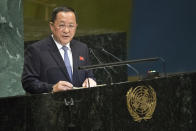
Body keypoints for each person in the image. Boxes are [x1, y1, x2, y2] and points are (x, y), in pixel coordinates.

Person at [22, 6, 97, 94]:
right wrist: (52, 88)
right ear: (52, 26)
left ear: (76, 27)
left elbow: (89, 75)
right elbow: (28, 83)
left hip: (79, 104)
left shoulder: (82, 48)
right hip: (51, 105)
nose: (66, 30)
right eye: (61, 25)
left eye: (71, 26)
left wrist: (90, 81)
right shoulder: (36, 50)